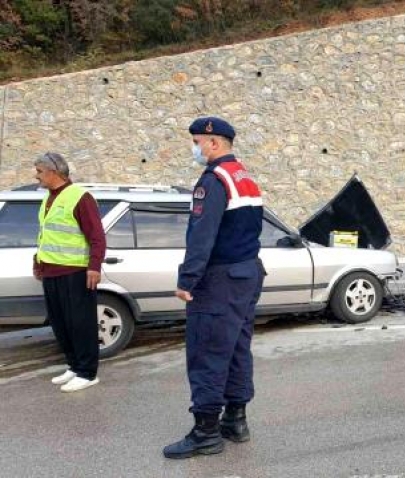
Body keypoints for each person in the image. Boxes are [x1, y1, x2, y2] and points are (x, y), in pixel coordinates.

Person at [164, 117, 266, 459]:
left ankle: (206, 432)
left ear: (213, 143)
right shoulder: (244, 176)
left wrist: (186, 280)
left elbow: (201, 236)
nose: (194, 148)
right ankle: (236, 420)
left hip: (219, 279)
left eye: (196, 141)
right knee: (237, 348)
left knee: (207, 350)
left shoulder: (213, 180)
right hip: (247, 273)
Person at [33, 152, 106, 393]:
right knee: (60, 323)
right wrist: (38, 261)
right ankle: (74, 366)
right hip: (51, 271)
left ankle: (87, 372)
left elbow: (96, 236)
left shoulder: (80, 197)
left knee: (80, 323)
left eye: (40, 171)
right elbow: (46, 234)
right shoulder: (48, 198)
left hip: (75, 272)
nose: (37, 176)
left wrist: (94, 266)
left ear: (54, 172)